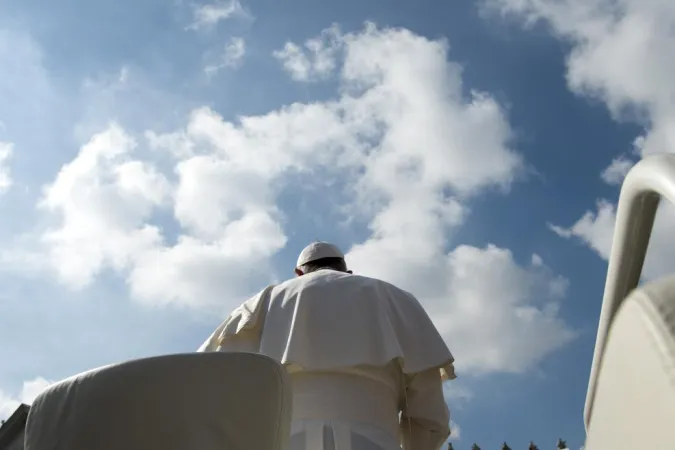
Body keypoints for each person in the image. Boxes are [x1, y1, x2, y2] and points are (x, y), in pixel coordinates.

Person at [198, 241, 456, 450]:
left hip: (280, 440)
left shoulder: (260, 303)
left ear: (298, 273)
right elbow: (429, 413)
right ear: (347, 271)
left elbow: (213, 383)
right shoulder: (396, 298)